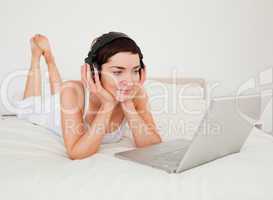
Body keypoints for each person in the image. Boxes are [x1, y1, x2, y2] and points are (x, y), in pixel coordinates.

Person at [19, 32, 162, 160]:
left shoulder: (136, 94)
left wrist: (128, 104)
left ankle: (50, 60)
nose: (130, 81)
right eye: (118, 72)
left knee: (58, 91)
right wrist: (108, 105)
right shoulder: (72, 91)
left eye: (135, 71)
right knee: (28, 107)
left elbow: (152, 144)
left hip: (65, 99)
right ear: (95, 71)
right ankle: (37, 57)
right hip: (55, 109)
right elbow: (76, 152)